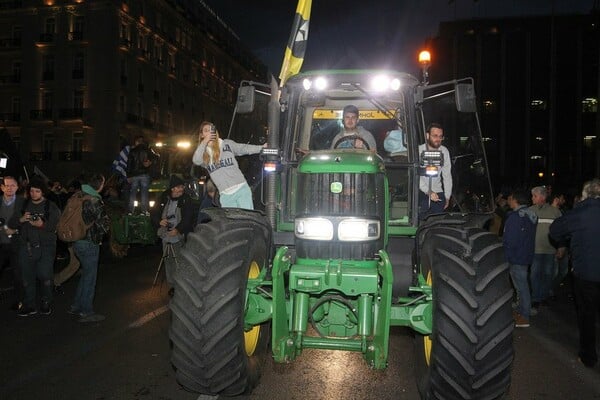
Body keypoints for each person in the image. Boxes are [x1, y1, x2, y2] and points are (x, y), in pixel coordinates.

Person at [549, 179, 600, 368]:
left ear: (585, 194)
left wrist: (567, 240)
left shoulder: (580, 212)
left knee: (587, 315)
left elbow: (554, 230)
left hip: (586, 273)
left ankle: (588, 356)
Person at [192, 121, 265, 210]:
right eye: (206, 130)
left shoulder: (226, 144)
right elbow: (196, 161)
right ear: (202, 135)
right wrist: (205, 142)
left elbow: (243, 148)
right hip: (225, 195)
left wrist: (261, 148)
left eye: (211, 130)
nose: (209, 132)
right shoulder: (204, 155)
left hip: (241, 189)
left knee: (246, 221)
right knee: (232, 223)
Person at [17, 178, 61, 316]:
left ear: (43, 192)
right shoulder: (23, 205)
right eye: (31, 191)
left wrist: (42, 224)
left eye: (37, 191)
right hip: (27, 245)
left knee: (44, 274)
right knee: (27, 276)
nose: (34, 193)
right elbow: (13, 223)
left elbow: (56, 226)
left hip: (45, 246)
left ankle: (46, 300)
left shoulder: (51, 206)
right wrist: (21, 220)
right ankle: (29, 304)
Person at [69, 173, 110, 322]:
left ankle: (76, 305)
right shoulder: (94, 201)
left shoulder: (79, 195)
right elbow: (103, 226)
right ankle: (86, 311)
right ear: (99, 185)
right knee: (90, 278)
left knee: (86, 274)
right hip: (89, 243)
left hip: (76, 241)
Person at [503, 190, 537, 328]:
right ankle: (522, 310)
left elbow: (510, 240)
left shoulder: (515, 217)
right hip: (526, 255)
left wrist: (506, 255)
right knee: (521, 286)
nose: (508, 201)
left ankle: (524, 315)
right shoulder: (531, 215)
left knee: (521, 286)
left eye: (510, 198)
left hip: (516, 257)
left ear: (515, 199)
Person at [157, 175, 195, 290]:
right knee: (168, 260)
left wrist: (178, 229)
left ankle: (181, 285)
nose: (182, 189)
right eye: (179, 187)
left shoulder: (186, 199)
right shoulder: (164, 197)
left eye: (182, 187)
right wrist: (160, 220)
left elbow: (188, 218)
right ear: (173, 188)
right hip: (166, 234)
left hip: (179, 236)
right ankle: (172, 284)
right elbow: (154, 212)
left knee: (179, 260)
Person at [529, 185, 562, 313]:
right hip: (535, 250)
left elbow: (561, 231)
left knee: (548, 275)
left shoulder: (555, 212)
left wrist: (561, 247)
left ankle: (543, 297)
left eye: (534, 196)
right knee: (535, 275)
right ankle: (536, 298)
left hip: (550, 250)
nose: (532, 198)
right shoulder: (530, 211)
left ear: (542, 197)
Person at [0, 176, 26, 310]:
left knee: (18, 274)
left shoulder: (23, 203)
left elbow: (27, 222)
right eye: (7, 185)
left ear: (17, 187)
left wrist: (15, 230)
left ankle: (19, 300)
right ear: (2, 187)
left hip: (17, 244)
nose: (10, 188)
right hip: (1, 244)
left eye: (13, 185)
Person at [418, 123, 452, 218]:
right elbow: (415, 175)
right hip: (421, 192)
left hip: (438, 193)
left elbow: (447, 175)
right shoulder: (418, 151)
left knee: (438, 223)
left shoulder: (444, 151)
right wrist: (428, 191)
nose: (438, 139)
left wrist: (447, 196)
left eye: (441, 137)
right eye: (435, 136)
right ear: (427, 136)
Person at [126, 135, 158, 214]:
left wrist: (128, 176)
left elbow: (129, 164)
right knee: (144, 193)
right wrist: (149, 162)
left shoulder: (132, 151)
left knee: (133, 192)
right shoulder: (148, 150)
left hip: (134, 175)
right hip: (144, 174)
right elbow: (156, 158)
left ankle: (131, 210)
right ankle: (144, 211)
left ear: (137, 141)